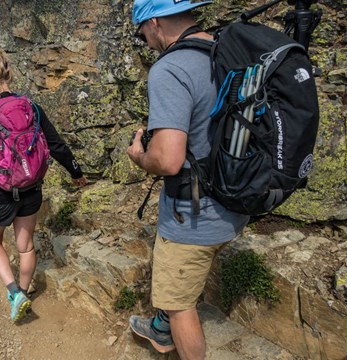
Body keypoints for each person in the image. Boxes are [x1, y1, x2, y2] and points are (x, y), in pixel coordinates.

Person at [126, 1, 249, 359]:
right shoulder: (224, 52)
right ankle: (160, 333)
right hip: (234, 200)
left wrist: (139, 155)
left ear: (154, 22)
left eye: (142, 32)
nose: (146, 42)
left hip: (193, 217)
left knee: (180, 305)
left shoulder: (170, 69)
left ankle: (173, 334)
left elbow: (167, 158)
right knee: (178, 289)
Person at [0, 46, 87, 322]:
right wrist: (76, 172)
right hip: (31, 189)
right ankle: (24, 291)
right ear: (9, 74)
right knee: (25, 246)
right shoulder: (31, 107)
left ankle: (15, 293)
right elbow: (56, 146)